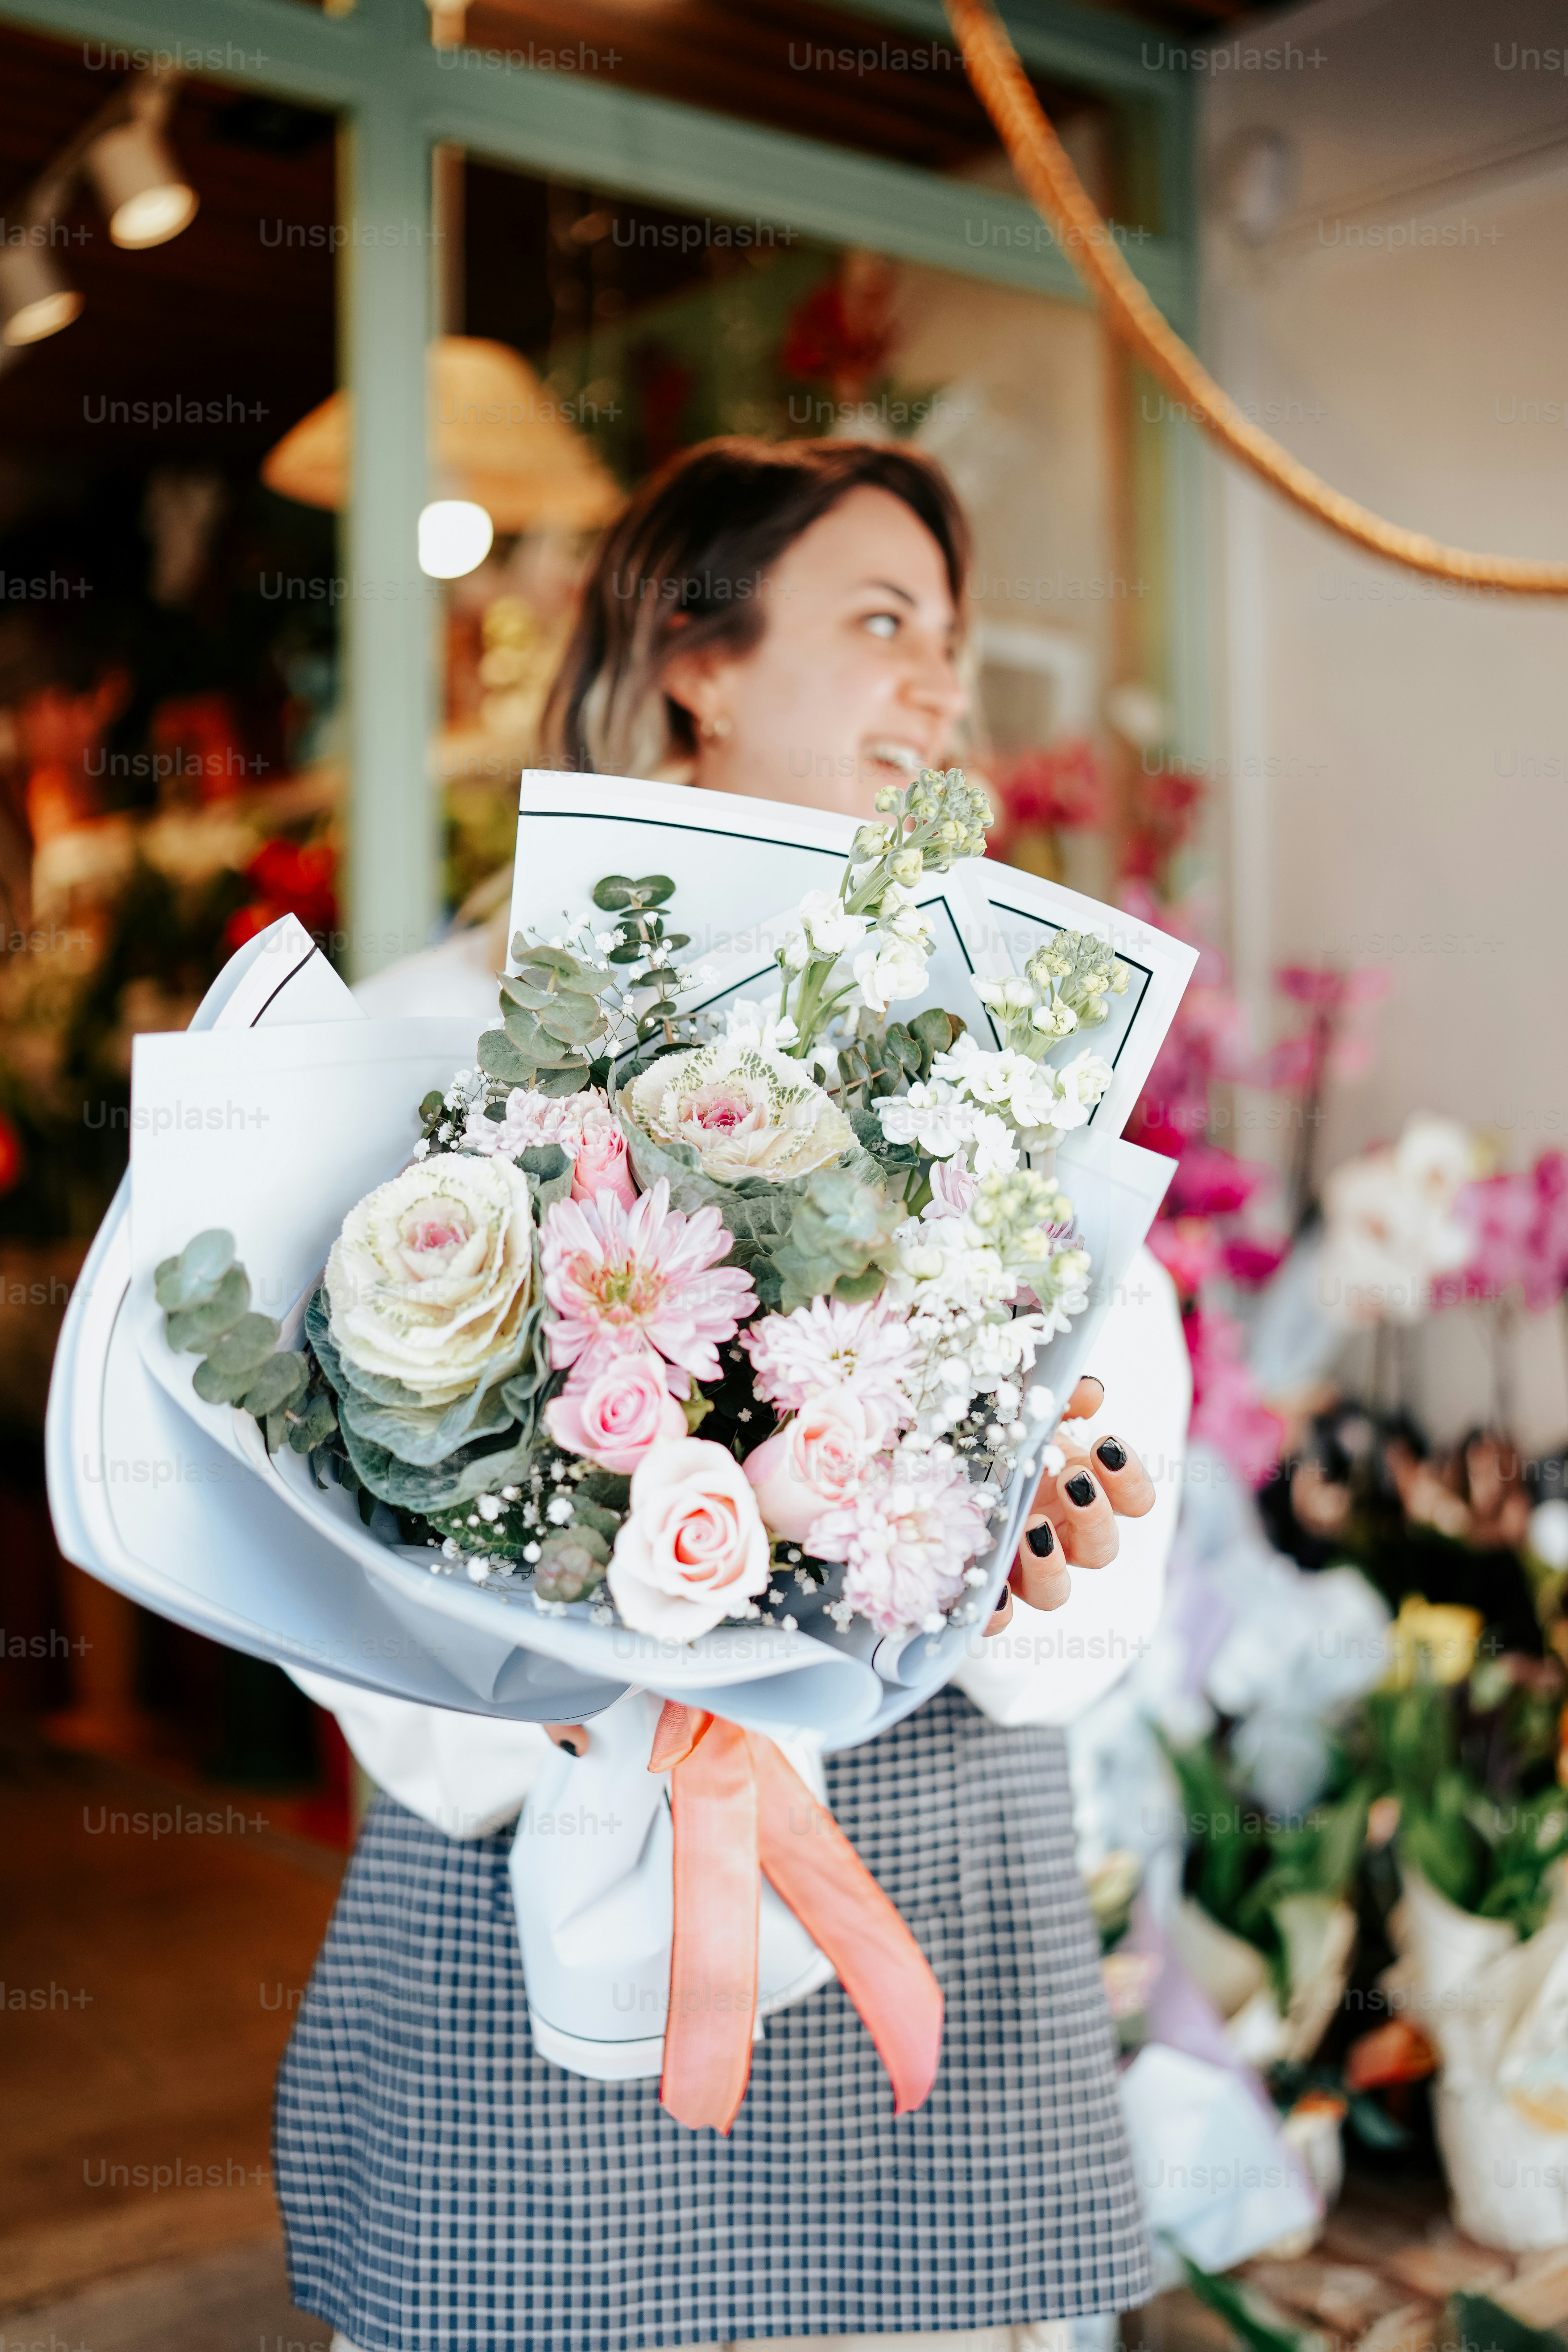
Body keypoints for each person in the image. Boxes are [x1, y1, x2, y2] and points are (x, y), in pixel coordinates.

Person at [280, 439, 1190, 2352]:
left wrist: (1042, 1545)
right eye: (880, 620)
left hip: (928, 1880)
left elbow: (1104, 1433)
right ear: (695, 656)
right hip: (534, 1878)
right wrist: (546, 1724)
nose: (939, 682)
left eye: (946, 636)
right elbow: (312, 1489)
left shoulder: (999, 1035)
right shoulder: (437, 1025)